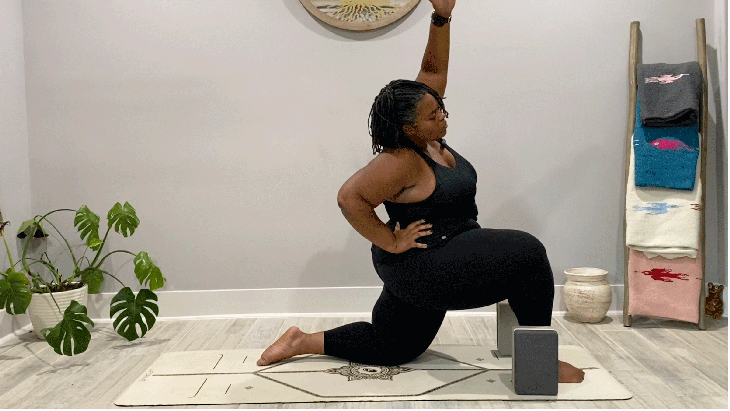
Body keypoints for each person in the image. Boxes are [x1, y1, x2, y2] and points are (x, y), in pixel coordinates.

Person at [257, 0, 585, 384]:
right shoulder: (400, 160)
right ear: (410, 128)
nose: (443, 116)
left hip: (435, 255)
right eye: (434, 116)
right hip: (425, 263)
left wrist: (442, 16)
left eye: (441, 109)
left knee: (394, 346)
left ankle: (302, 340)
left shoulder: (424, 126)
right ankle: (537, 363)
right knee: (527, 254)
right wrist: (390, 241)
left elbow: (432, 69)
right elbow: (350, 197)